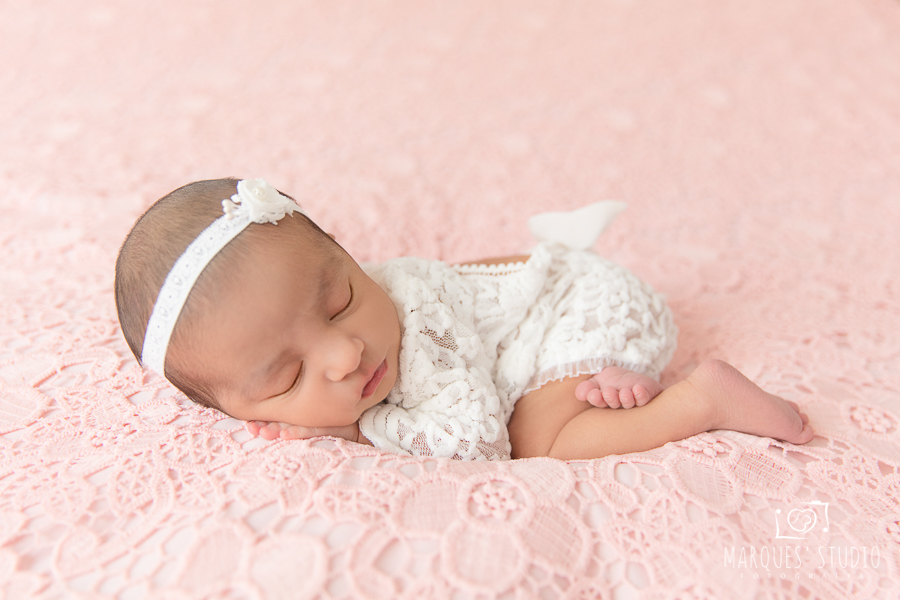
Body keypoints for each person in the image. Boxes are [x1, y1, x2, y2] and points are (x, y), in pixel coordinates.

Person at [114, 178, 814, 461]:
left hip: (588, 310)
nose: (346, 353)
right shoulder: (375, 318)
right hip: (565, 300)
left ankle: (702, 400)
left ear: (348, 255)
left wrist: (358, 426)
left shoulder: (417, 330)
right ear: (231, 407)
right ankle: (615, 377)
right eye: (289, 374)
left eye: (340, 302)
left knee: (538, 436)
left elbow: (478, 439)